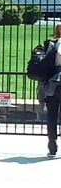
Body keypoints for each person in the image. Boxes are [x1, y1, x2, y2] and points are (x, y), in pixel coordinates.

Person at [38, 22, 61, 157]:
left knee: (51, 116)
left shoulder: (49, 44)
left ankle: (52, 146)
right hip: (59, 81)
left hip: (50, 84)